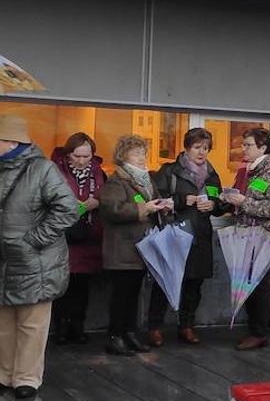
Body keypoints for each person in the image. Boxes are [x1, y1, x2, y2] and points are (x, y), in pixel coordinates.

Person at [0, 115, 78, 398]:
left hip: (36, 262)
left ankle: (27, 379)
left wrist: (34, 239)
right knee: (4, 324)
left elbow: (68, 209)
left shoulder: (42, 169)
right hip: (4, 260)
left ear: (11, 142)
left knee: (32, 324)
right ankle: (4, 374)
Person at [147, 128, 224, 346]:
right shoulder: (170, 171)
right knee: (165, 282)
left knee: (194, 284)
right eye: (197, 147)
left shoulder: (211, 174)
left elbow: (219, 203)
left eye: (206, 148)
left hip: (200, 234)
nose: (202, 152)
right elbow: (157, 198)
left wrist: (214, 204)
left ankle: (186, 326)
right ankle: (154, 327)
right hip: (176, 232)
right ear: (187, 147)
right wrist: (183, 200)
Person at [99, 134, 173, 356]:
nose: (142, 157)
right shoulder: (117, 181)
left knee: (134, 295)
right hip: (122, 249)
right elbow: (113, 209)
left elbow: (153, 202)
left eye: (143, 152)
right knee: (121, 295)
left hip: (142, 248)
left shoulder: (147, 179)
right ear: (123, 156)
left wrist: (163, 206)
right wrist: (144, 209)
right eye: (136, 153)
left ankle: (130, 333)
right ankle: (115, 336)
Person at [222, 128, 270, 351]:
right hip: (248, 236)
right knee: (248, 284)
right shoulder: (248, 171)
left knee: (258, 286)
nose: (243, 149)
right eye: (243, 145)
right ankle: (255, 330)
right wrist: (228, 199)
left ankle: (258, 332)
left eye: (248, 145)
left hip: (266, 240)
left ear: (262, 148)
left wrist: (243, 202)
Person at [51, 132, 106, 345]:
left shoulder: (99, 173)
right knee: (63, 285)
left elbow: (108, 197)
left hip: (90, 236)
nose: (82, 161)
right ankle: (61, 328)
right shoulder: (55, 171)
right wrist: (71, 205)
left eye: (87, 156)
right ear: (68, 154)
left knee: (83, 286)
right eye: (77, 156)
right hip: (63, 237)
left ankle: (78, 326)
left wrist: (98, 203)